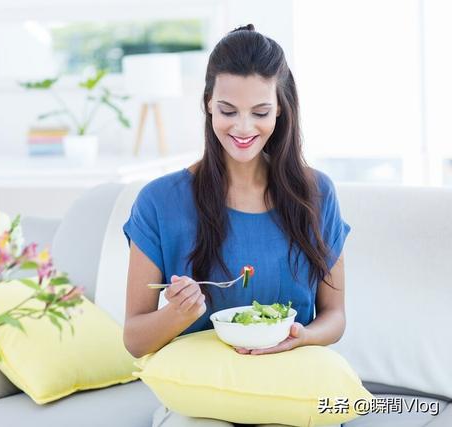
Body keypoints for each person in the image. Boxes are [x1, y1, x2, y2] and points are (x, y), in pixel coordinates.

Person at [122, 24, 350, 427]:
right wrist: (176, 314)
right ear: (208, 104)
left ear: (280, 108)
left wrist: (300, 336)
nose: (243, 129)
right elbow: (135, 339)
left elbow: (334, 316)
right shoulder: (159, 201)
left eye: (260, 113)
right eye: (228, 111)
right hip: (201, 394)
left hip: (290, 385)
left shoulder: (317, 193)